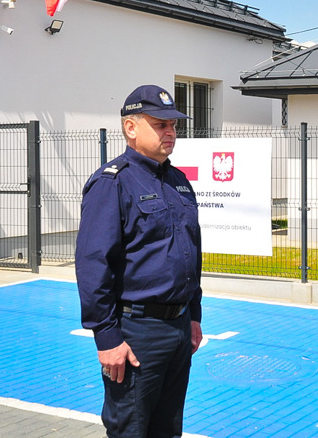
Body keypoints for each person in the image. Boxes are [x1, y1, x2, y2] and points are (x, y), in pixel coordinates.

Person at [76, 85, 203, 438]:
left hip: (178, 328)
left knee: (168, 429)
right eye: (160, 124)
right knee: (130, 428)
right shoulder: (112, 183)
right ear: (131, 128)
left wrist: (193, 317)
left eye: (173, 126)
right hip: (137, 333)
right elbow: (92, 264)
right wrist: (106, 336)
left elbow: (190, 255)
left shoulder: (177, 181)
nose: (170, 133)